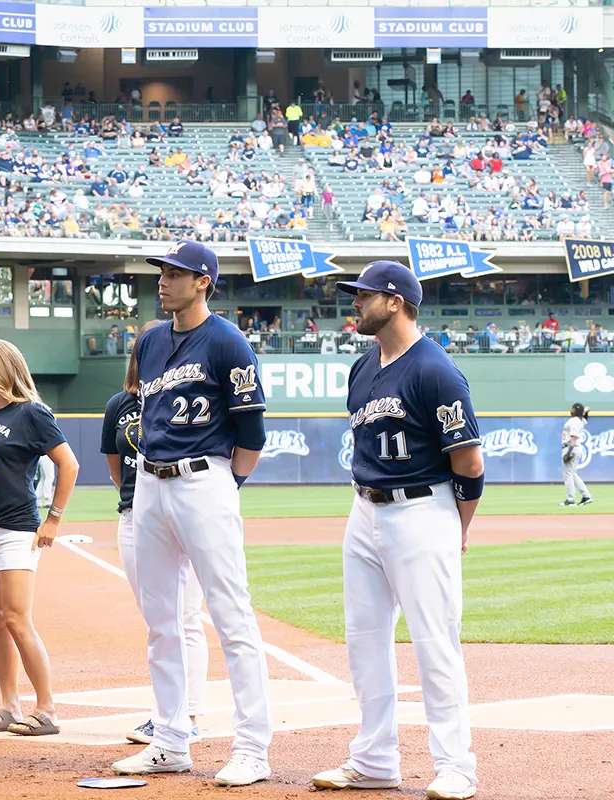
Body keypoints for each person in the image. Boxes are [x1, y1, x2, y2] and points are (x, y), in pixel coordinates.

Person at [312, 261, 483, 800]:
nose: (354, 304)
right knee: (364, 641)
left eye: (363, 296)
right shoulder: (362, 369)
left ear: (396, 301)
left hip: (422, 510)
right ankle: (374, 760)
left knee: (435, 643)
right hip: (364, 509)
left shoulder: (435, 369)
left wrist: (457, 527)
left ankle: (457, 767)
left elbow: (470, 464)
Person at [111, 240, 271, 787]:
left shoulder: (228, 341)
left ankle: (252, 747)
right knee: (162, 623)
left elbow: (252, 432)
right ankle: (171, 740)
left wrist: (226, 481)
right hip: (150, 484)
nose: (163, 280)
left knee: (231, 614)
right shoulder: (152, 341)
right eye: (161, 271)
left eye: (175, 273)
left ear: (203, 281)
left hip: (205, 478)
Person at [0, 339, 78, 737]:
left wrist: (53, 519)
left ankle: (46, 710)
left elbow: (69, 464)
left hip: (16, 529)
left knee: (16, 618)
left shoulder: (32, 414)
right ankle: (9, 705)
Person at [100, 319, 205, 746]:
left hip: (186, 511)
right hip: (134, 515)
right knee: (159, 619)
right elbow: (115, 468)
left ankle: (187, 714)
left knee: (187, 616)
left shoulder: (187, 395)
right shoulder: (118, 406)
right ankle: (168, 712)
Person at [560, 403, 593, 507]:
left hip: (571, 447)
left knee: (568, 474)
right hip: (574, 447)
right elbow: (585, 418)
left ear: (575, 410)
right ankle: (586, 496)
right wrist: (585, 410)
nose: (571, 409)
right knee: (572, 473)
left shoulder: (575, 421)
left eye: (573, 408)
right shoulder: (580, 420)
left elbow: (573, 438)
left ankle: (570, 500)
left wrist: (569, 453)